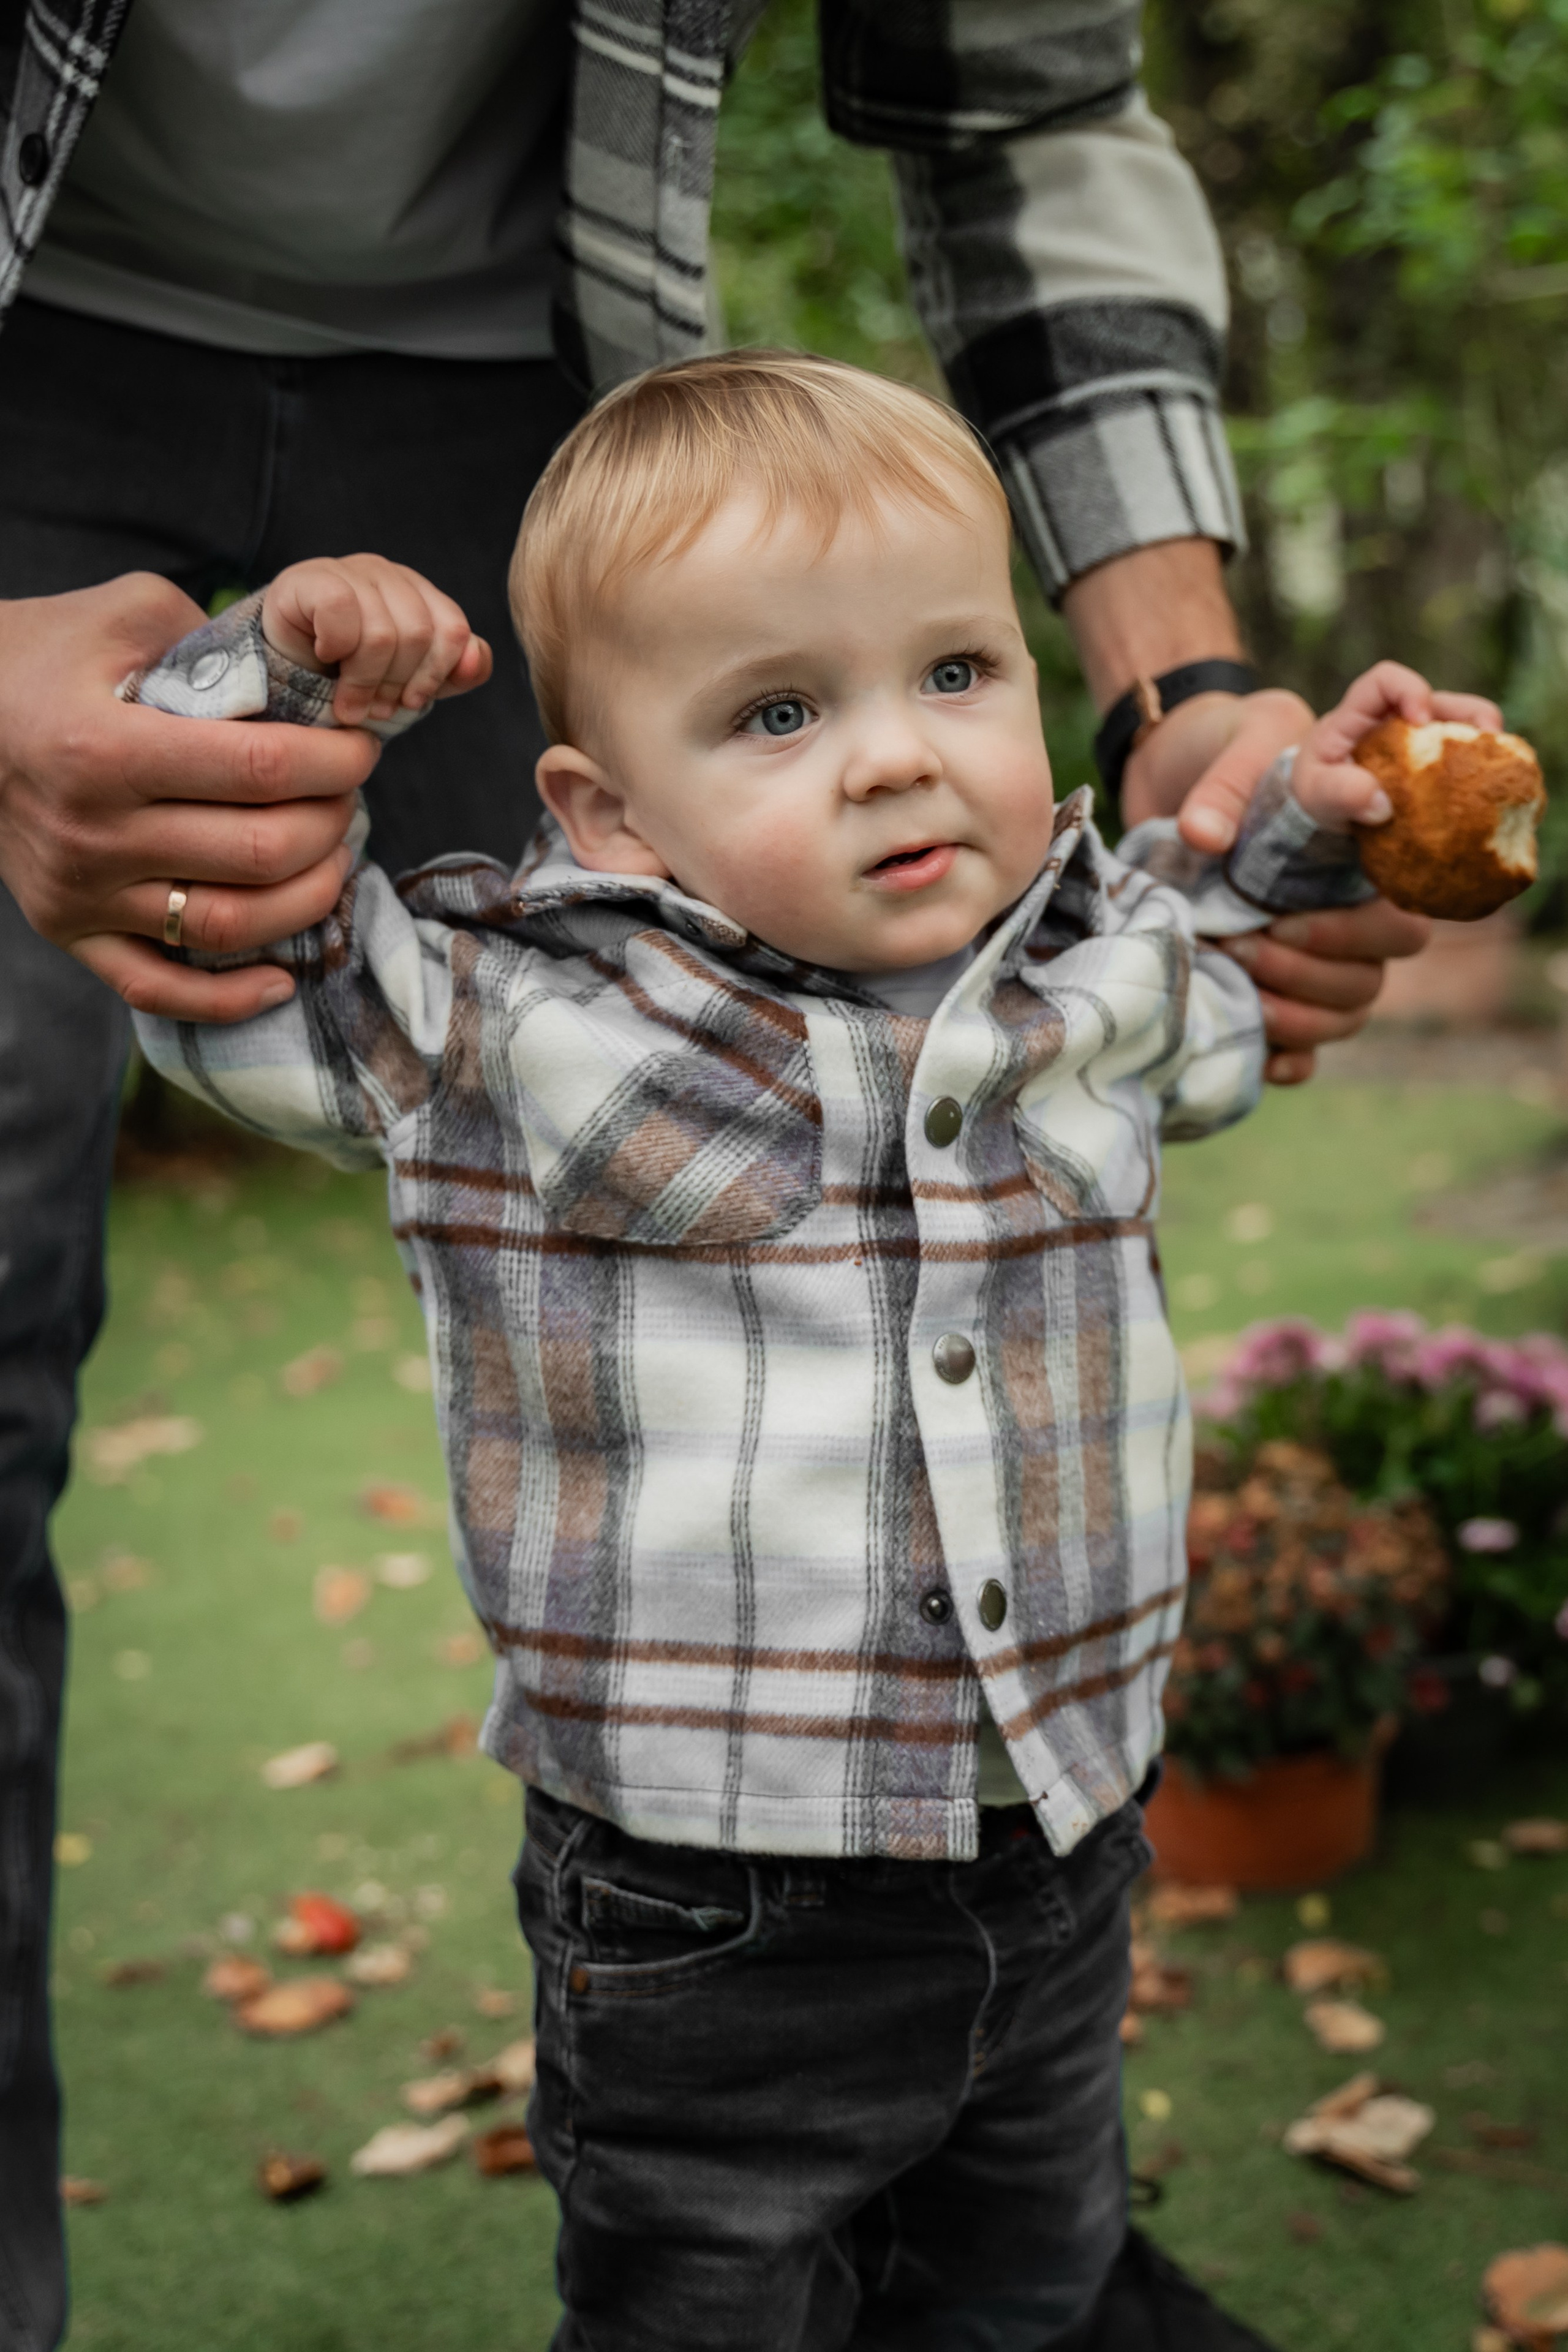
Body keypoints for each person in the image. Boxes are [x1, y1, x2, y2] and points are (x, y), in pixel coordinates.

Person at [0, 7, 1425, 2345]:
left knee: (1026, 2271)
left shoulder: (1073, 975)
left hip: (1058, 1845)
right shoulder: (515, 1013)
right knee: (712, 2299)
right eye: (781, 713)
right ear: (598, 814)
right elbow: (243, 977)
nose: (898, 758)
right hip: (707, 1908)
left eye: (956, 672)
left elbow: (1225, 912)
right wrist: (268, 680)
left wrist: (1306, 789)